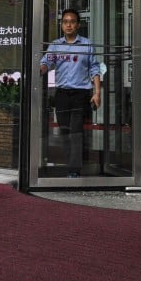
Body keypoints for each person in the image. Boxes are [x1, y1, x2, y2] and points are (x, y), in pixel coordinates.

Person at [39, 9, 101, 178]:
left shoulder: (86, 44)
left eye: (72, 22)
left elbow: (94, 69)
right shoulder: (56, 45)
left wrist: (97, 93)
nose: (68, 25)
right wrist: (38, 70)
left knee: (76, 132)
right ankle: (71, 165)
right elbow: (46, 64)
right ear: (61, 25)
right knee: (65, 131)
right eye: (65, 22)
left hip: (81, 94)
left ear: (78, 25)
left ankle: (74, 170)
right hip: (62, 95)